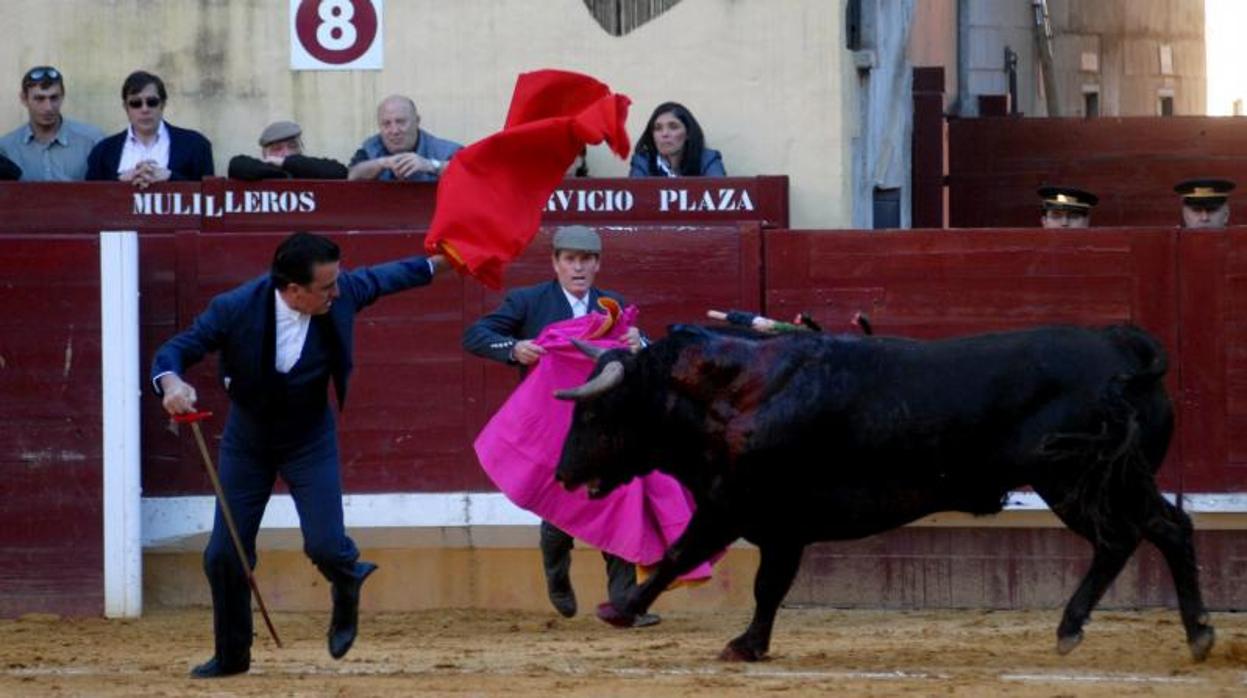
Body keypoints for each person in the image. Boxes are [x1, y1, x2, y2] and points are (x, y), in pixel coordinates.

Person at [151, 232, 448, 678]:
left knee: (327, 546)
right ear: (293, 290)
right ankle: (232, 655)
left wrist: (452, 261)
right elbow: (175, 350)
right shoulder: (235, 308)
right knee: (224, 554)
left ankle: (346, 579)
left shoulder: (339, 294)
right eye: (326, 287)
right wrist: (172, 384)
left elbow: (394, 276)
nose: (338, 292)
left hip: (309, 437)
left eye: (337, 282)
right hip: (248, 441)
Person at [462, 225, 660, 629]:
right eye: (570, 259)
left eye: (586, 260)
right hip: (551, 424)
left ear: (597, 264)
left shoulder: (613, 307)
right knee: (559, 508)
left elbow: (643, 358)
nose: (578, 267)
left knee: (620, 500)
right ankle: (556, 565)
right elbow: (476, 335)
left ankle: (624, 602)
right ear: (555, 263)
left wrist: (642, 346)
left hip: (604, 424)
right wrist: (514, 349)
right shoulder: (528, 301)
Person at [86, 70, 214, 186]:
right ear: (126, 107)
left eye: (152, 102)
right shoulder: (103, 151)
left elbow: (209, 197)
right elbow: (89, 199)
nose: (144, 109)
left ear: (163, 105)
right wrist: (121, 181)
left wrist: (170, 177)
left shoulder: (196, 145)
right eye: (136, 103)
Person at [0, 65, 104, 181]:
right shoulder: (6, 148)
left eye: (54, 98)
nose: (48, 107)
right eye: (39, 99)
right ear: (24, 99)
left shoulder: (91, 141)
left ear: (62, 96)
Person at [348, 95, 460, 181]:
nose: (394, 131)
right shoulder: (371, 147)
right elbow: (352, 175)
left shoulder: (446, 151)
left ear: (417, 121)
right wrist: (382, 163)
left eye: (401, 122)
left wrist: (430, 165)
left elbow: (469, 173)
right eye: (386, 124)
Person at [228, 120, 348, 181]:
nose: (285, 153)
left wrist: (286, 164)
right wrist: (283, 173)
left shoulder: (310, 168)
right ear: (265, 153)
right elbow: (236, 165)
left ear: (301, 149)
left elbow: (340, 172)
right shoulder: (257, 169)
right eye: (277, 149)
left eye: (292, 146)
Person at [629, 101, 725, 177]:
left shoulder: (708, 159)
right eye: (658, 128)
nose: (665, 134)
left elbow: (718, 195)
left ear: (688, 133)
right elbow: (635, 198)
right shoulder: (642, 161)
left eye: (673, 127)